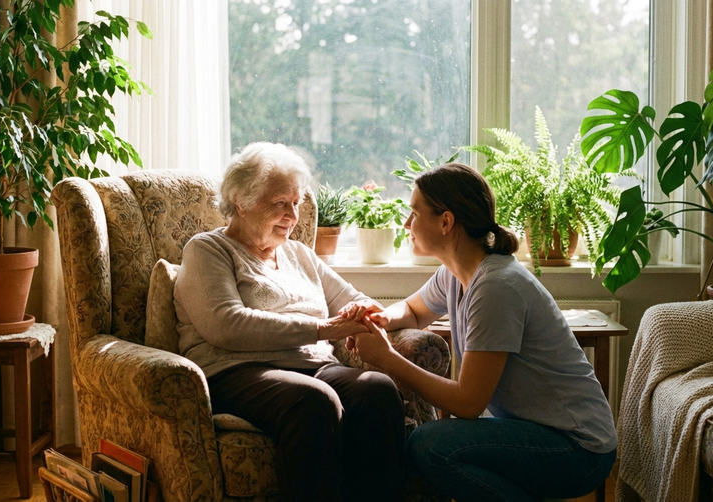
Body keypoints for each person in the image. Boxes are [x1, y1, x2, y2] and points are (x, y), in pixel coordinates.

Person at [346, 163, 617, 502]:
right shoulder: (457, 273)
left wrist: (386, 358)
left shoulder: (495, 287)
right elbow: (414, 310)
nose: (406, 223)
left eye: (414, 213)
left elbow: (468, 403)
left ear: (446, 222)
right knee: (433, 444)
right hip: (545, 433)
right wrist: (380, 316)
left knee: (431, 446)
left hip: (579, 449)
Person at [173, 141, 405, 502]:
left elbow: (352, 298)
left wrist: (365, 314)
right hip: (237, 371)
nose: (292, 215)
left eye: (295, 203)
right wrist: (323, 329)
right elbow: (225, 324)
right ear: (241, 201)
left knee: (376, 388)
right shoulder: (207, 250)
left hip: (312, 366)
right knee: (313, 401)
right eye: (279, 203)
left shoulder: (299, 254)